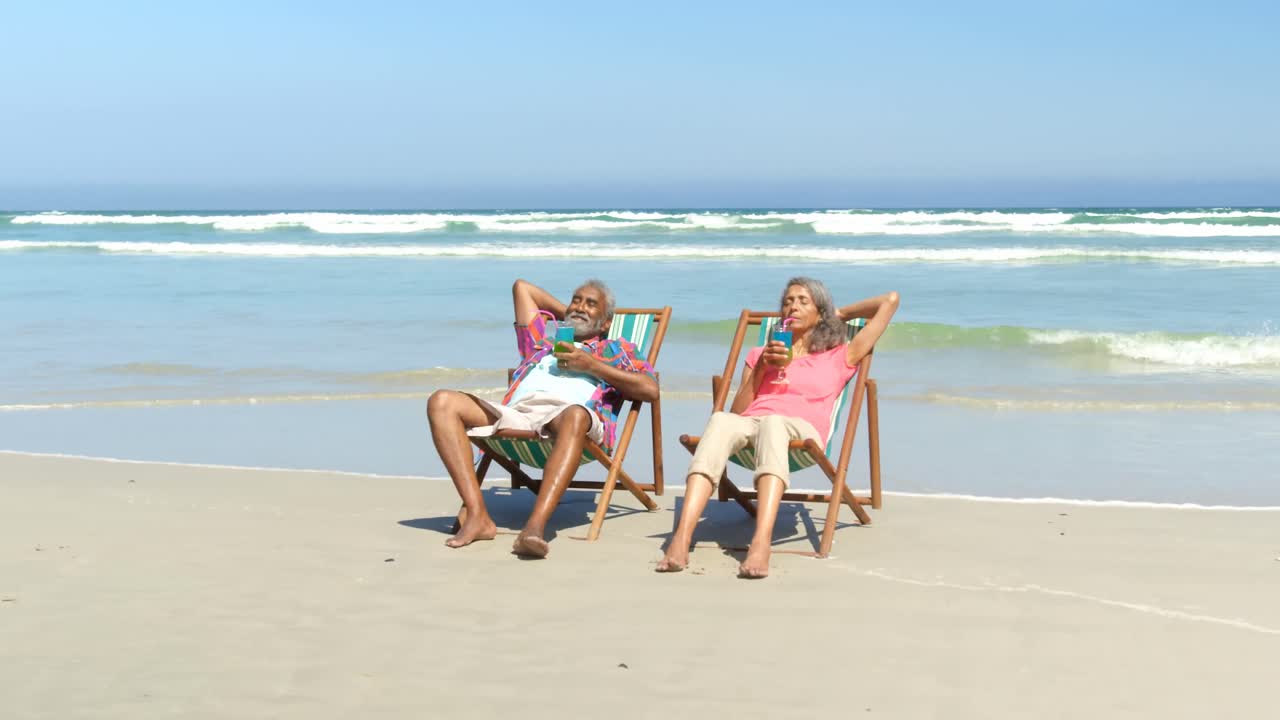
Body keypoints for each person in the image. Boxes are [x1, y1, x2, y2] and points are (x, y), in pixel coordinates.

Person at [656, 277, 899, 578]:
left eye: (803, 301)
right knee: (719, 420)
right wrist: (761, 370)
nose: (792, 306)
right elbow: (738, 412)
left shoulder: (840, 355)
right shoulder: (760, 354)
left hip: (801, 431)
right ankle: (681, 536)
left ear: (820, 311)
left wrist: (838, 313)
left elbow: (890, 300)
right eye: (787, 301)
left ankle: (761, 542)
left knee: (773, 424)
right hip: (751, 426)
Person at [427, 278, 657, 558]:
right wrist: (572, 321)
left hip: (572, 420)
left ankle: (535, 527)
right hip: (519, 416)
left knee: (573, 415)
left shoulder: (617, 350)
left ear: (607, 323)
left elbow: (650, 390)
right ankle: (477, 516)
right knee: (442, 402)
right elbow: (522, 288)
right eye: (576, 300)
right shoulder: (541, 343)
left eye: (591, 304)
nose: (580, 306)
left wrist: (592, 365)